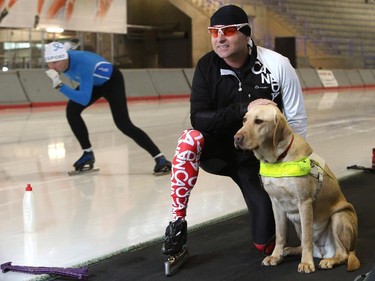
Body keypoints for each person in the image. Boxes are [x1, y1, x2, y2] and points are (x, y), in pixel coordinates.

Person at [161, 4, 307, 259]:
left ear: (246, 33)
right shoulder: (207, 65)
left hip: (257, 161)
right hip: (220, 152)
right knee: (189, 139)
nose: (219, 37)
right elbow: (198, 118)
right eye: (213, 31)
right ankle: (176, 224)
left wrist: (290, 172)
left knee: (267, 247)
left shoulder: (277, 65)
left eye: (227, 31)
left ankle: (266, 228)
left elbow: (296, 120)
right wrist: (243, 108)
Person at [44, 41, 171, 175]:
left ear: (65, 58)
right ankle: (88, 153)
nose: (53, 67)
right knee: (72, 111)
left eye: (56, 62)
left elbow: (84, 98)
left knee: (124, 124)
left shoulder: (84, 65)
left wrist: (59, 86)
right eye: (50, 63)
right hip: (94, 82)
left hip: (111, 81)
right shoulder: (62, 56)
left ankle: (160, 158)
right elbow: (65, 48)